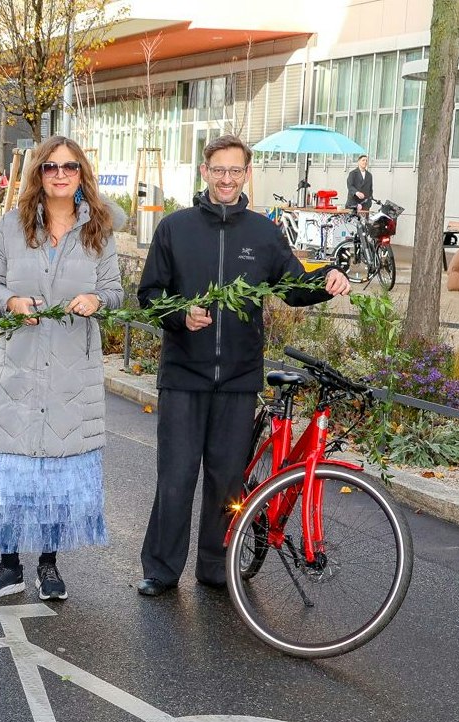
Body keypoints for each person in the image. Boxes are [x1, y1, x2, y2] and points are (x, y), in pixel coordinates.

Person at [134, 134, 350, 597]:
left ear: (246, 174)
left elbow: (292, 286)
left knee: (226, 479)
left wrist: (326, 279)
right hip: (183, 376)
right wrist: (179, 314)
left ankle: (216, 565)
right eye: (219, 169)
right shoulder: (175, 228)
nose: (227, 178)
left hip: (237, 377)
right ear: (204, 172)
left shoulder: (264, 233)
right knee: (176, 476)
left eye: (236, 170)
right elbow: (149, 296)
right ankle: (161, 568)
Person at [0, 135, 124, 603]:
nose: (60, 174)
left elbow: (115, 293)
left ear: (82, 175)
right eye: (51, 167)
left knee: (58, 470)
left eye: (70, 167)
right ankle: (9, 566)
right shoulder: (13, 227)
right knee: (15, 473)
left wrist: (97, 300)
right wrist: (10, 302)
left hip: (72, 373)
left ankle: (49, 566)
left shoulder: (99, 229)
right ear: (38, 173)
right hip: (21, 368)